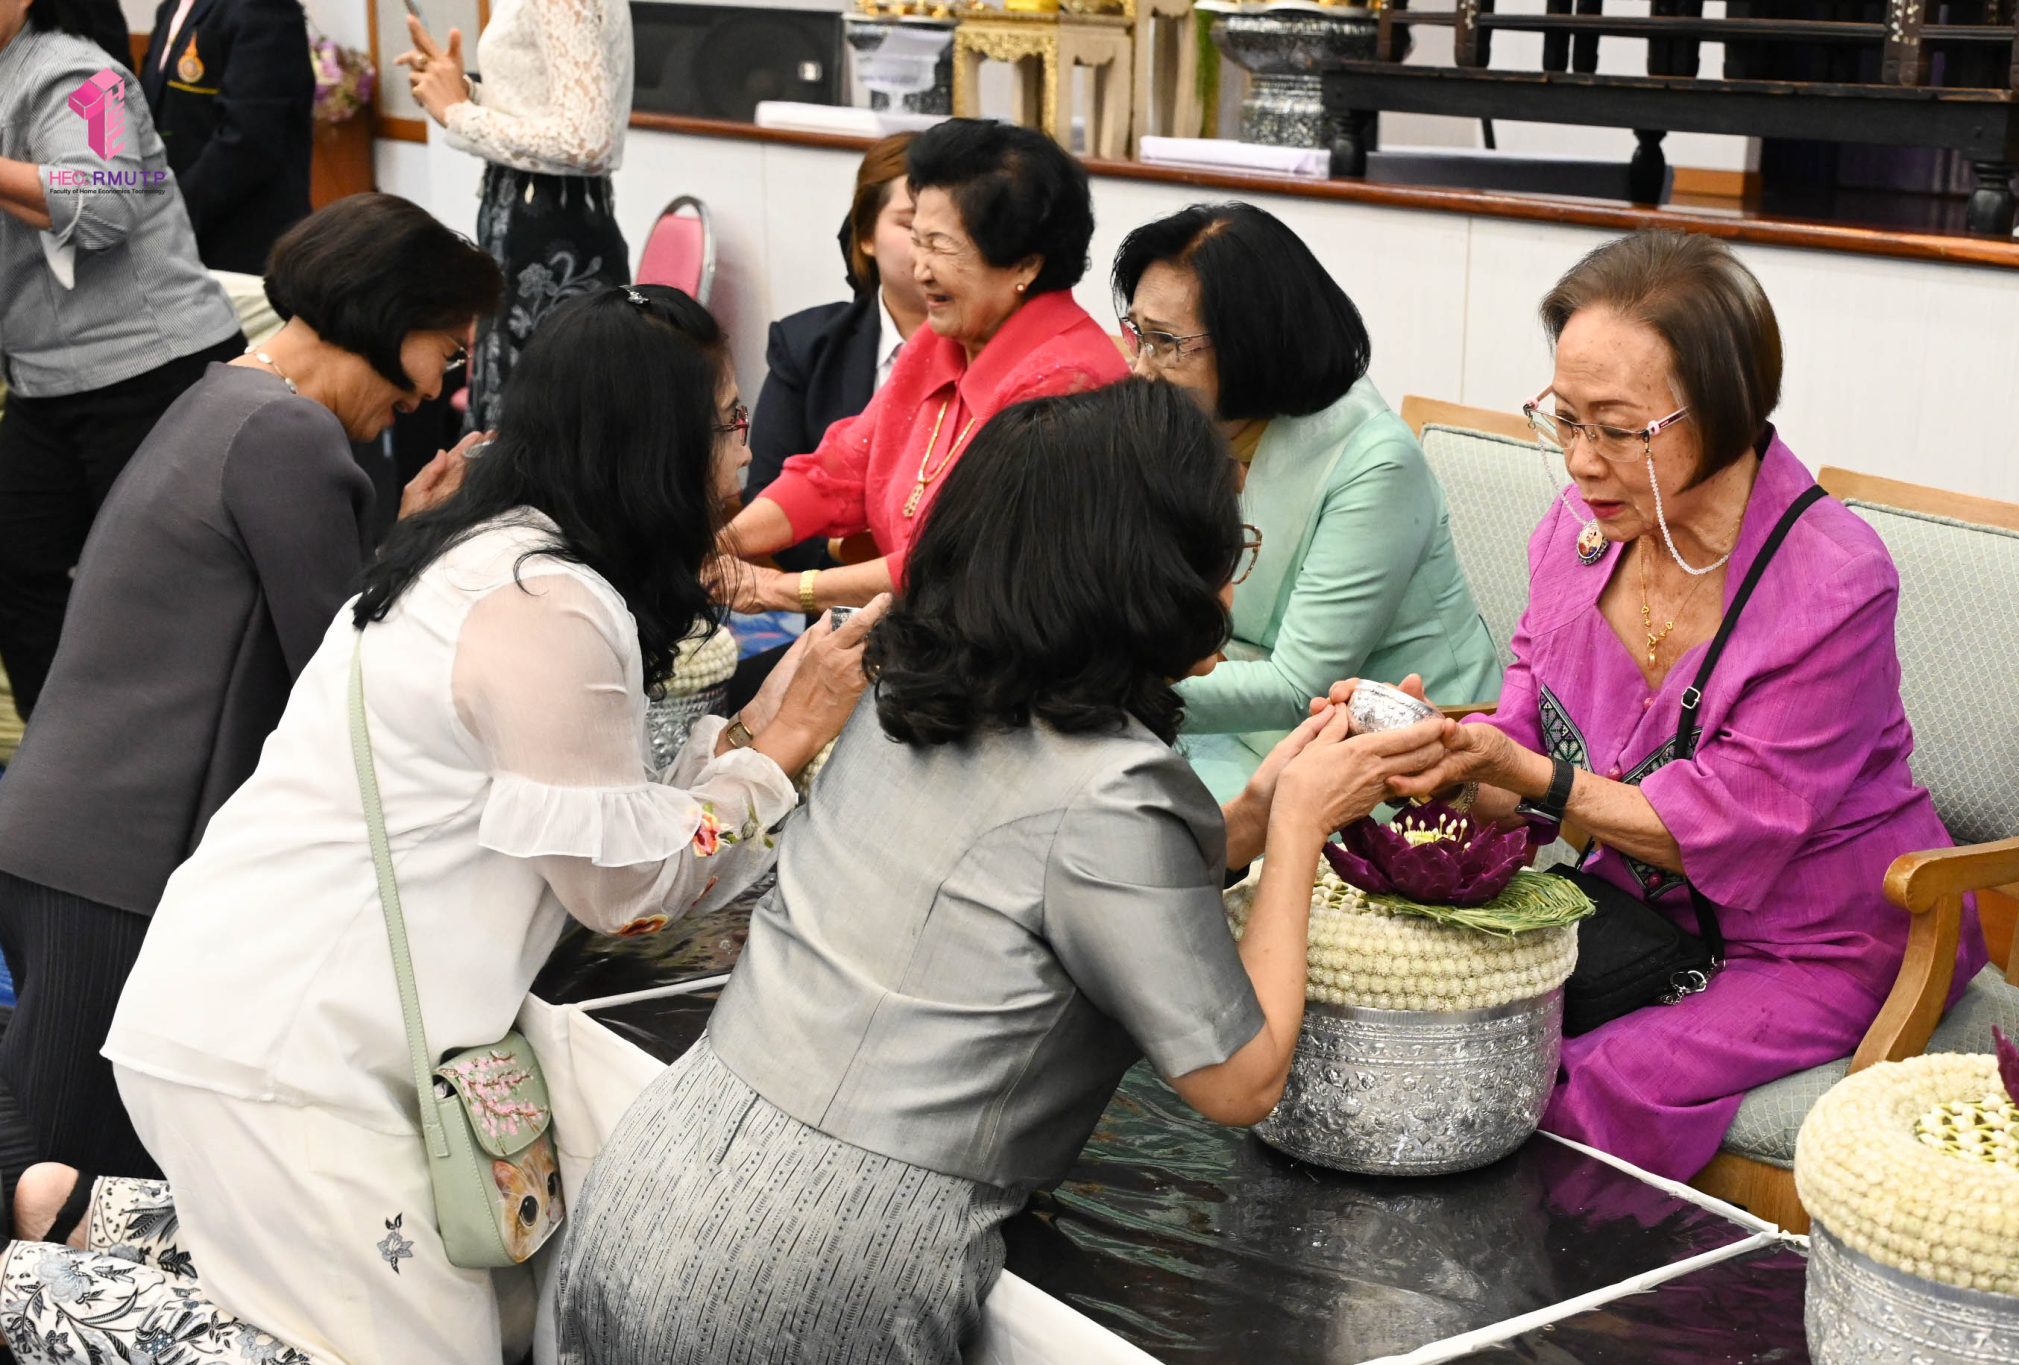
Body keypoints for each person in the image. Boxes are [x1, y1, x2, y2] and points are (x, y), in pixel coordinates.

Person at [0, 286, 878, 1365]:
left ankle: (94, 1233)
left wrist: (749, 732)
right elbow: (625, 888)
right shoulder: (550, 602)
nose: (747, 447)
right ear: (653, 442)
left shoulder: (489, 551)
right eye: (731, 419)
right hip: (295, 1057)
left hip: (256, 1018)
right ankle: (40, 1291)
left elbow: (609, 812)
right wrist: (781, 753)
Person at [552, 379, 1447, 1365]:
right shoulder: (1111, 788)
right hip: (816, 1256)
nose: (1230, 591)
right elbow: (1241, 1079)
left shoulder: (905, 698)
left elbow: (1071, 883)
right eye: (1224, 552)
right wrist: (1301, 829)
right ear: (1143, 575)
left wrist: (1261, 813)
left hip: (667, 1164)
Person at [1332, 229, 1988, 1181]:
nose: (1580, 462)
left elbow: (1727, 826)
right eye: (1564, 420)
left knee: (1575, 1084)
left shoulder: (1834, 583)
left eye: (1616, 428)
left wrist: (1532, 778)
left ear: (1720, 410)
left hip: (1820, 941)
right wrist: (1441, 757)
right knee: (1443, 1024)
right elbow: (1523, 737)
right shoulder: (1580, 533)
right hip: (1641, 913)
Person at [0, 193, 500, 1202]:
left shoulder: (226, 397)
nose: (434, 393)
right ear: (389, 314)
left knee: (76, 1182)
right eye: (446, 353)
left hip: (72, 838)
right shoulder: (290, 436)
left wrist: (401, 531)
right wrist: (430, 550)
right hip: (118, 860)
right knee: (60, 1198)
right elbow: (343, 667)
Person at [1115, 202, 1501, 801]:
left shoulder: (1373, 462)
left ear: (1249, 342)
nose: (1142, 369)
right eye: (1138, 334)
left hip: (1396, 767)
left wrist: (1112, 693)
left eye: (1166, 342)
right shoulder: (1185, 425)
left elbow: (1300, 687)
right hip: (1228, 727)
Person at [713, 117, 1128, 617]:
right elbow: (836, 473)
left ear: (1025, 264)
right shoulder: (941, 341)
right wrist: (719, 546)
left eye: (942, 246)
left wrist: (782, 590)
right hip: (916, 631)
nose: (920, 269)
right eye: (918, 239)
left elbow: (958, 565)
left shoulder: (1069, 382)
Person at [0, 0, 244, 718]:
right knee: (15, 566)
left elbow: (106, 199)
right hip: (45, 379)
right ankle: (64, 756)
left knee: (161, 592)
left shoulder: (85, 76)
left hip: (152, 371)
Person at [397, 0, 631, 434]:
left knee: (540, 429)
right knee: (525, 427)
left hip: (551, 235)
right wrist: (464, 95)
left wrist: (460, 114)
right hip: (534, 224)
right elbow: (544, 109)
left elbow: (587, 140)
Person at [747, 131, 926, 576]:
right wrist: (855, 559)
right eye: (910, 224)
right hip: (830, 597)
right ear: (866, 236)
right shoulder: (806, 345)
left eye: (950, 227)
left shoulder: (996, 353)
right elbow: (766, 495)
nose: (929, 243)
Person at [139, 0, 314, 273]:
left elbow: (248, 142)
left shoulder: (263, 9)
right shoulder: (171, 8)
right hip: (180, 243)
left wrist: (168, 216)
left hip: (240, 247)